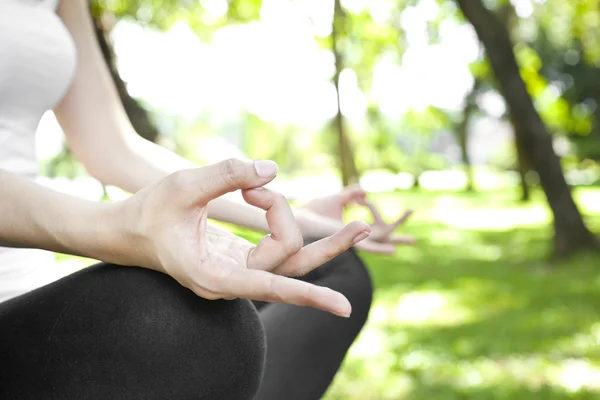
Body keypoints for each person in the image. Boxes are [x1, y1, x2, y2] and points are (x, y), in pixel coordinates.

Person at [0, 1, 413, 399]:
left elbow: (113, 147)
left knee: (334, 267)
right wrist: (117, 226)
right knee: (174, 316)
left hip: (32, 300)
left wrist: (301, 219)